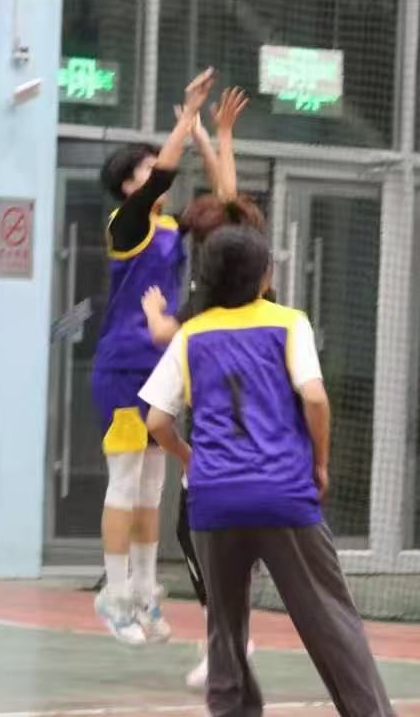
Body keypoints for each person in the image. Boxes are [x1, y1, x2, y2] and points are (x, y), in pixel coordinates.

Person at [142, 223, 394, 717]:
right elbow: (315, 397)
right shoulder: (288, 322)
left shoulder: (191, 334)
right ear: (264, 276)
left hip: (213, 500)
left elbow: (156, 421)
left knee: (225, 627)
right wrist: (319, 462)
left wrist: (191, 458)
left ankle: (232, 709)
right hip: (282, 492)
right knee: (330, 619)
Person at [91, 66, 216, 646]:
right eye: (144, 169)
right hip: (122, 368)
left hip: (162, 367)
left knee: (152, 488)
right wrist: (186, 114)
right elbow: (164, 170)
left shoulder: (167, 226)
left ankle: (144, 591)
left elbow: (221, 202)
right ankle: (113, 596)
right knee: (124, 481)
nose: (158, 173)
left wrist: (205, 136)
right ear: (128, 186)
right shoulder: (127, 224)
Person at [142, 87, 261, 690]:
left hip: (219, 444)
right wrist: (213, 136)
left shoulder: (208, 308)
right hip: (264, 442)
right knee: (228, 545)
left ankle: (228, 644)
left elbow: (166, 336)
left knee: (199, 537)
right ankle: (231, 641)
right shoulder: (259, 292)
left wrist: (155, 317)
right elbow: (230, 198)